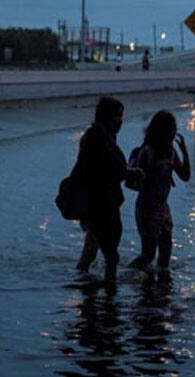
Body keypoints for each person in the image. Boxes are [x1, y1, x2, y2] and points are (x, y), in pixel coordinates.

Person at [73, 96, 143, 282]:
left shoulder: (103, 136)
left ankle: (87, 293)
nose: (120, 121)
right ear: (107, 117)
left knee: (91, 252)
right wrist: (130, 173)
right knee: (111, 256)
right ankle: (108, 296)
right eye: (117, 116)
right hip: (99, 204)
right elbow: (109, 169)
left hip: (103, 203)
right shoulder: (97, 137)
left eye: (121, 117)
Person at [129, 110, 190, 269]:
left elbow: (185, 176)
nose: (173, 132)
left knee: (165, 256)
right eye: (171, 129)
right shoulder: (147, 152)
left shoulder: (170, 151)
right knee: (148, 255)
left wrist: (185, 152)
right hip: (147, 207)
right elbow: (135, 182)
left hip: (163, 207)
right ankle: (124, 275)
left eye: (174, 128)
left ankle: (161, 290)